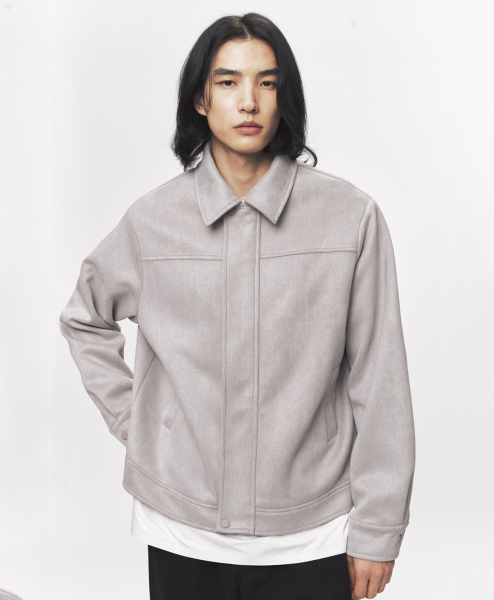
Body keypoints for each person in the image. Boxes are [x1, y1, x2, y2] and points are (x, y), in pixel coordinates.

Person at [59, 12, 416, 600]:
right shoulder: (152, 222)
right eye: (227, 82)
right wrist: (141, 423)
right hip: (180, 529)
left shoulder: (351, 218)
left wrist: (379, 528)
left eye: (266, 82)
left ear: (284, 97)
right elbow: (84, 318)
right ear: (201, 99)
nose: (248, 100)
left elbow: (381, 379)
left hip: (313, 534)